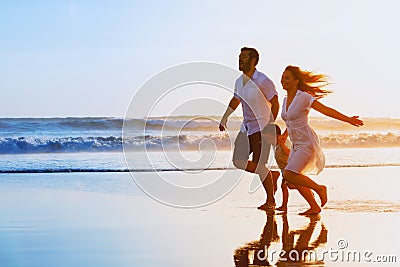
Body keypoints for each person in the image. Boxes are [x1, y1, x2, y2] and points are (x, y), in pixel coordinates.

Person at [280, 65, 363, 211]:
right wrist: (284, 136)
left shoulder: (304, 97)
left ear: (296, 81)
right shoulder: (285, 100)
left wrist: (348, 119)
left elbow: (326, 110)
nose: (283, 80)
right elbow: (290, 121)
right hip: (296, 145)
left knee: (289, 175)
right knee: (293, 178)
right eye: (282, 77)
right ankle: (314, 207)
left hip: (306, 144)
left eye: (287, 78)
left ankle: (320, 188)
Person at [219, 47, 280, 211]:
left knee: (260, 165)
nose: (240, 59)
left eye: (244, 57)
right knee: (238, 161)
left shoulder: (262, 80)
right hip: (246, 127)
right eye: (239, 56)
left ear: (253, 61)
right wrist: (225, 117)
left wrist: (270, 125)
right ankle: (271, 175)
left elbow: (275, 102)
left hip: (261, 126)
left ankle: (271, 201)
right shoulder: (239, 81)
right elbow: (235, 100)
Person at [263, 124, 322, 215]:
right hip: (284, 169)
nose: (268, 141)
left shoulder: (284, 142)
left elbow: (291, 153)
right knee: (288, 186)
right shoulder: (276, 145)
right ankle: (287, 204)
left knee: (289, 185)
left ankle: (309, 191)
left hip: (291, 168)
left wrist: (282, 145)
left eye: (268, 138)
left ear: (276, 135)